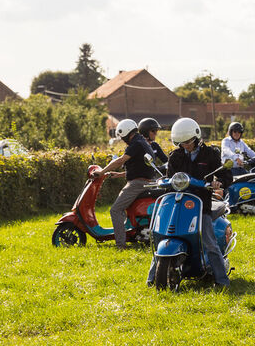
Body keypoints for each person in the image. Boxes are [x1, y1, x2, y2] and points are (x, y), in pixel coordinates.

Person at [149, 117, 231, 287]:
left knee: (209, 242)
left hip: (200, 202)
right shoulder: (175, 155)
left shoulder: (210, 154)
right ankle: (152, 279)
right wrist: (162, 181)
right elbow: (170, 177)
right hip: (177, 202)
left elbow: (224, 175)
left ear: (196, 137)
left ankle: (222, 281)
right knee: (162, 236)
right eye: (180, 143)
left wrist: (219, 182)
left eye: (187, 142)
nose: (184, 145)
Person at [94, 119, 157, 250]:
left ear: (127, 133)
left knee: (115, 209)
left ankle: (120, 245)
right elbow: (140, 168)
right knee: (122, 206)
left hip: (137, 184)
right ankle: (127, 232)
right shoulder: (142, 142)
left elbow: (121, 160)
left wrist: (102, 172)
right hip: (143, 181)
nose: (123, 140)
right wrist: (120, 175)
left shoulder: (136, 144)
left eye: (123, 138)